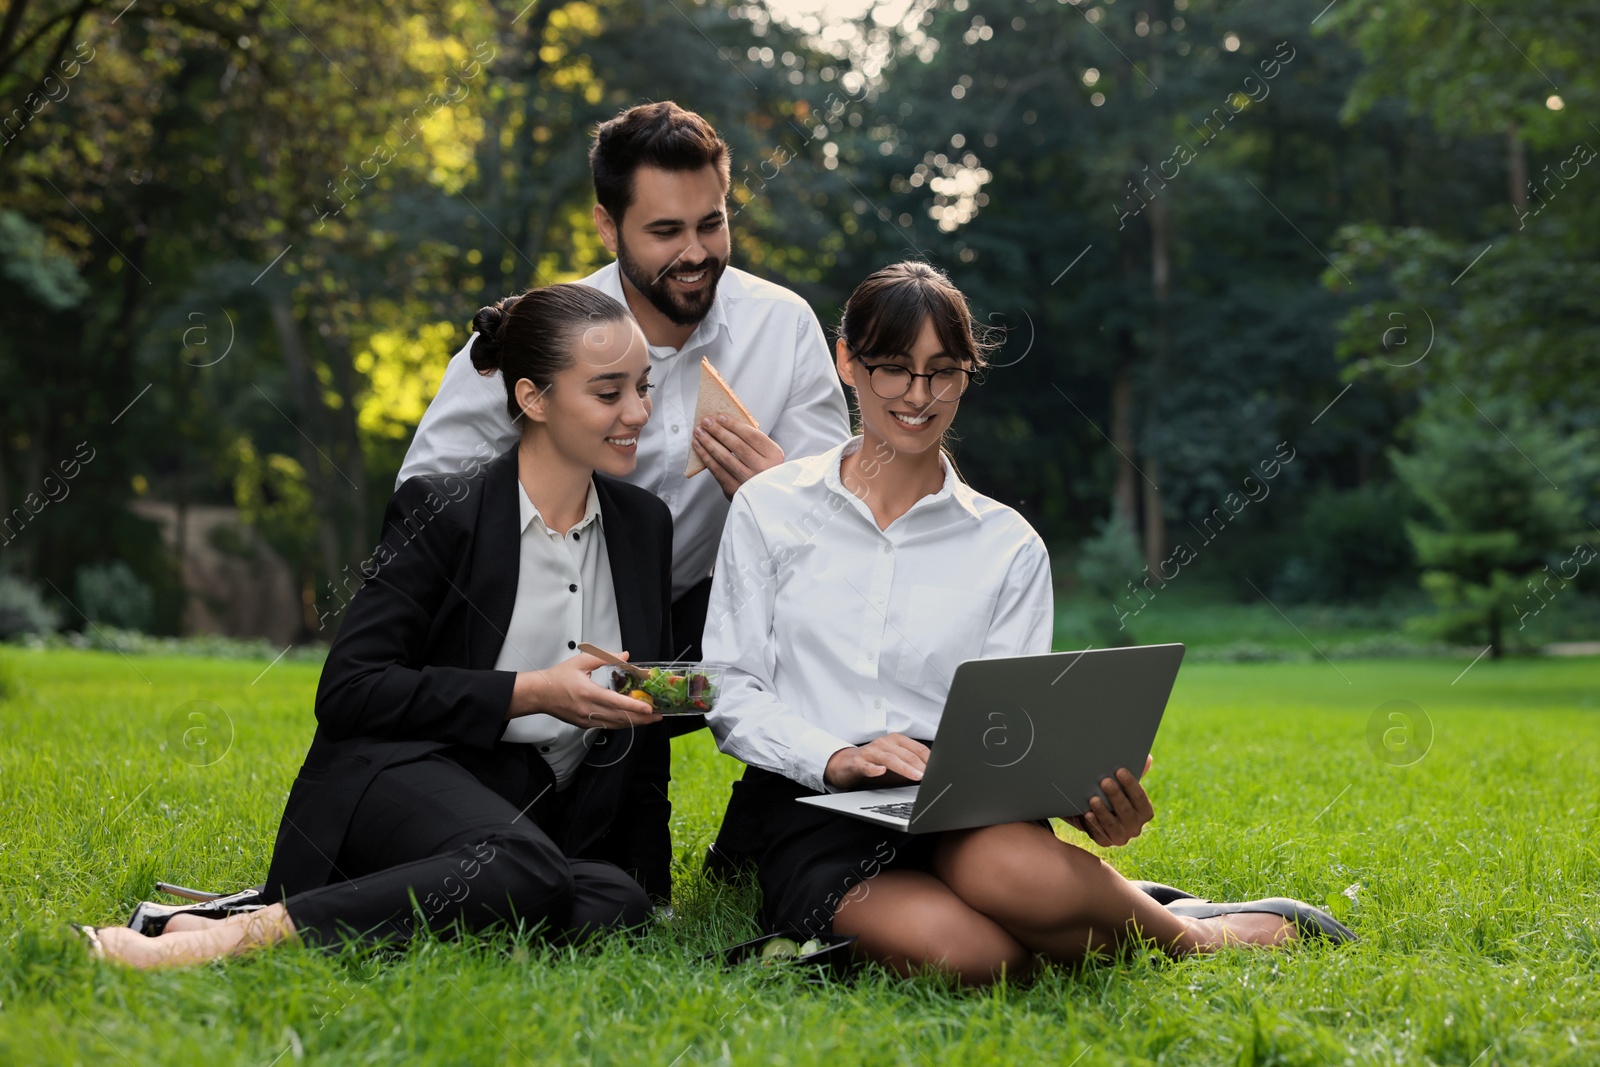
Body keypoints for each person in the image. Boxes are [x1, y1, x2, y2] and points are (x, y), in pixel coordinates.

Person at [700, 261, 1353, 985]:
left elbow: (1010, 726)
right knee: (987, 960)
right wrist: (835, 757)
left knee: (1015, 875)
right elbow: (731, 691)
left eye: (942, 371)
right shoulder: (771, 507)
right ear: (846, 360)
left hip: (964, 807)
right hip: (817, 806)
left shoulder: (1006, 543)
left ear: (966, 375)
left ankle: (1192, 936)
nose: (918, 397)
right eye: (893, 369)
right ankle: (1168, 918)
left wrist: (1078, 795)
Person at [82, 285, 676, 969]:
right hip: (401, 775)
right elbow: (350, 690)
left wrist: (650, 882)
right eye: (609, 393)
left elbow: (644, 726)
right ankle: (228, 940)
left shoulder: (643, 525)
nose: (639, 412)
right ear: (533, 398)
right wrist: (531, 691)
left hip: (526, 817)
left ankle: (295, 912)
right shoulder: (442, 512)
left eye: (643, 386)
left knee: (614, 901)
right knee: (525, 870)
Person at [399, 101, 849, 663]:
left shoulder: (784, 326)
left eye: (711, 223)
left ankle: (823, 754)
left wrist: (780, 495)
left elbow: (837, 526)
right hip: (521, 615)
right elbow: (425, 506)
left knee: (823, 610)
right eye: (665, 231)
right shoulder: (537, 333)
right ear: (608, 227)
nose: (695, 253)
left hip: (685, 619)